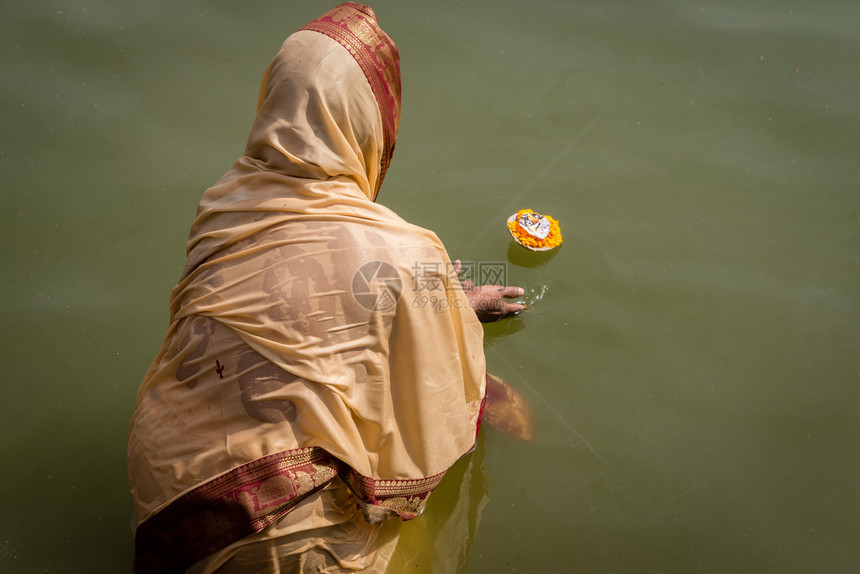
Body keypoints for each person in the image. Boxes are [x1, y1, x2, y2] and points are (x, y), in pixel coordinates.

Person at [127, 3, 525, 572]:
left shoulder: (225, 203)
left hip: (162, 489)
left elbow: (299, 308)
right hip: (273, 541)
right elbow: (429, 392)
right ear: (371, 127)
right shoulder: (406, 254)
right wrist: (451, 313)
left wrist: (421, 299)